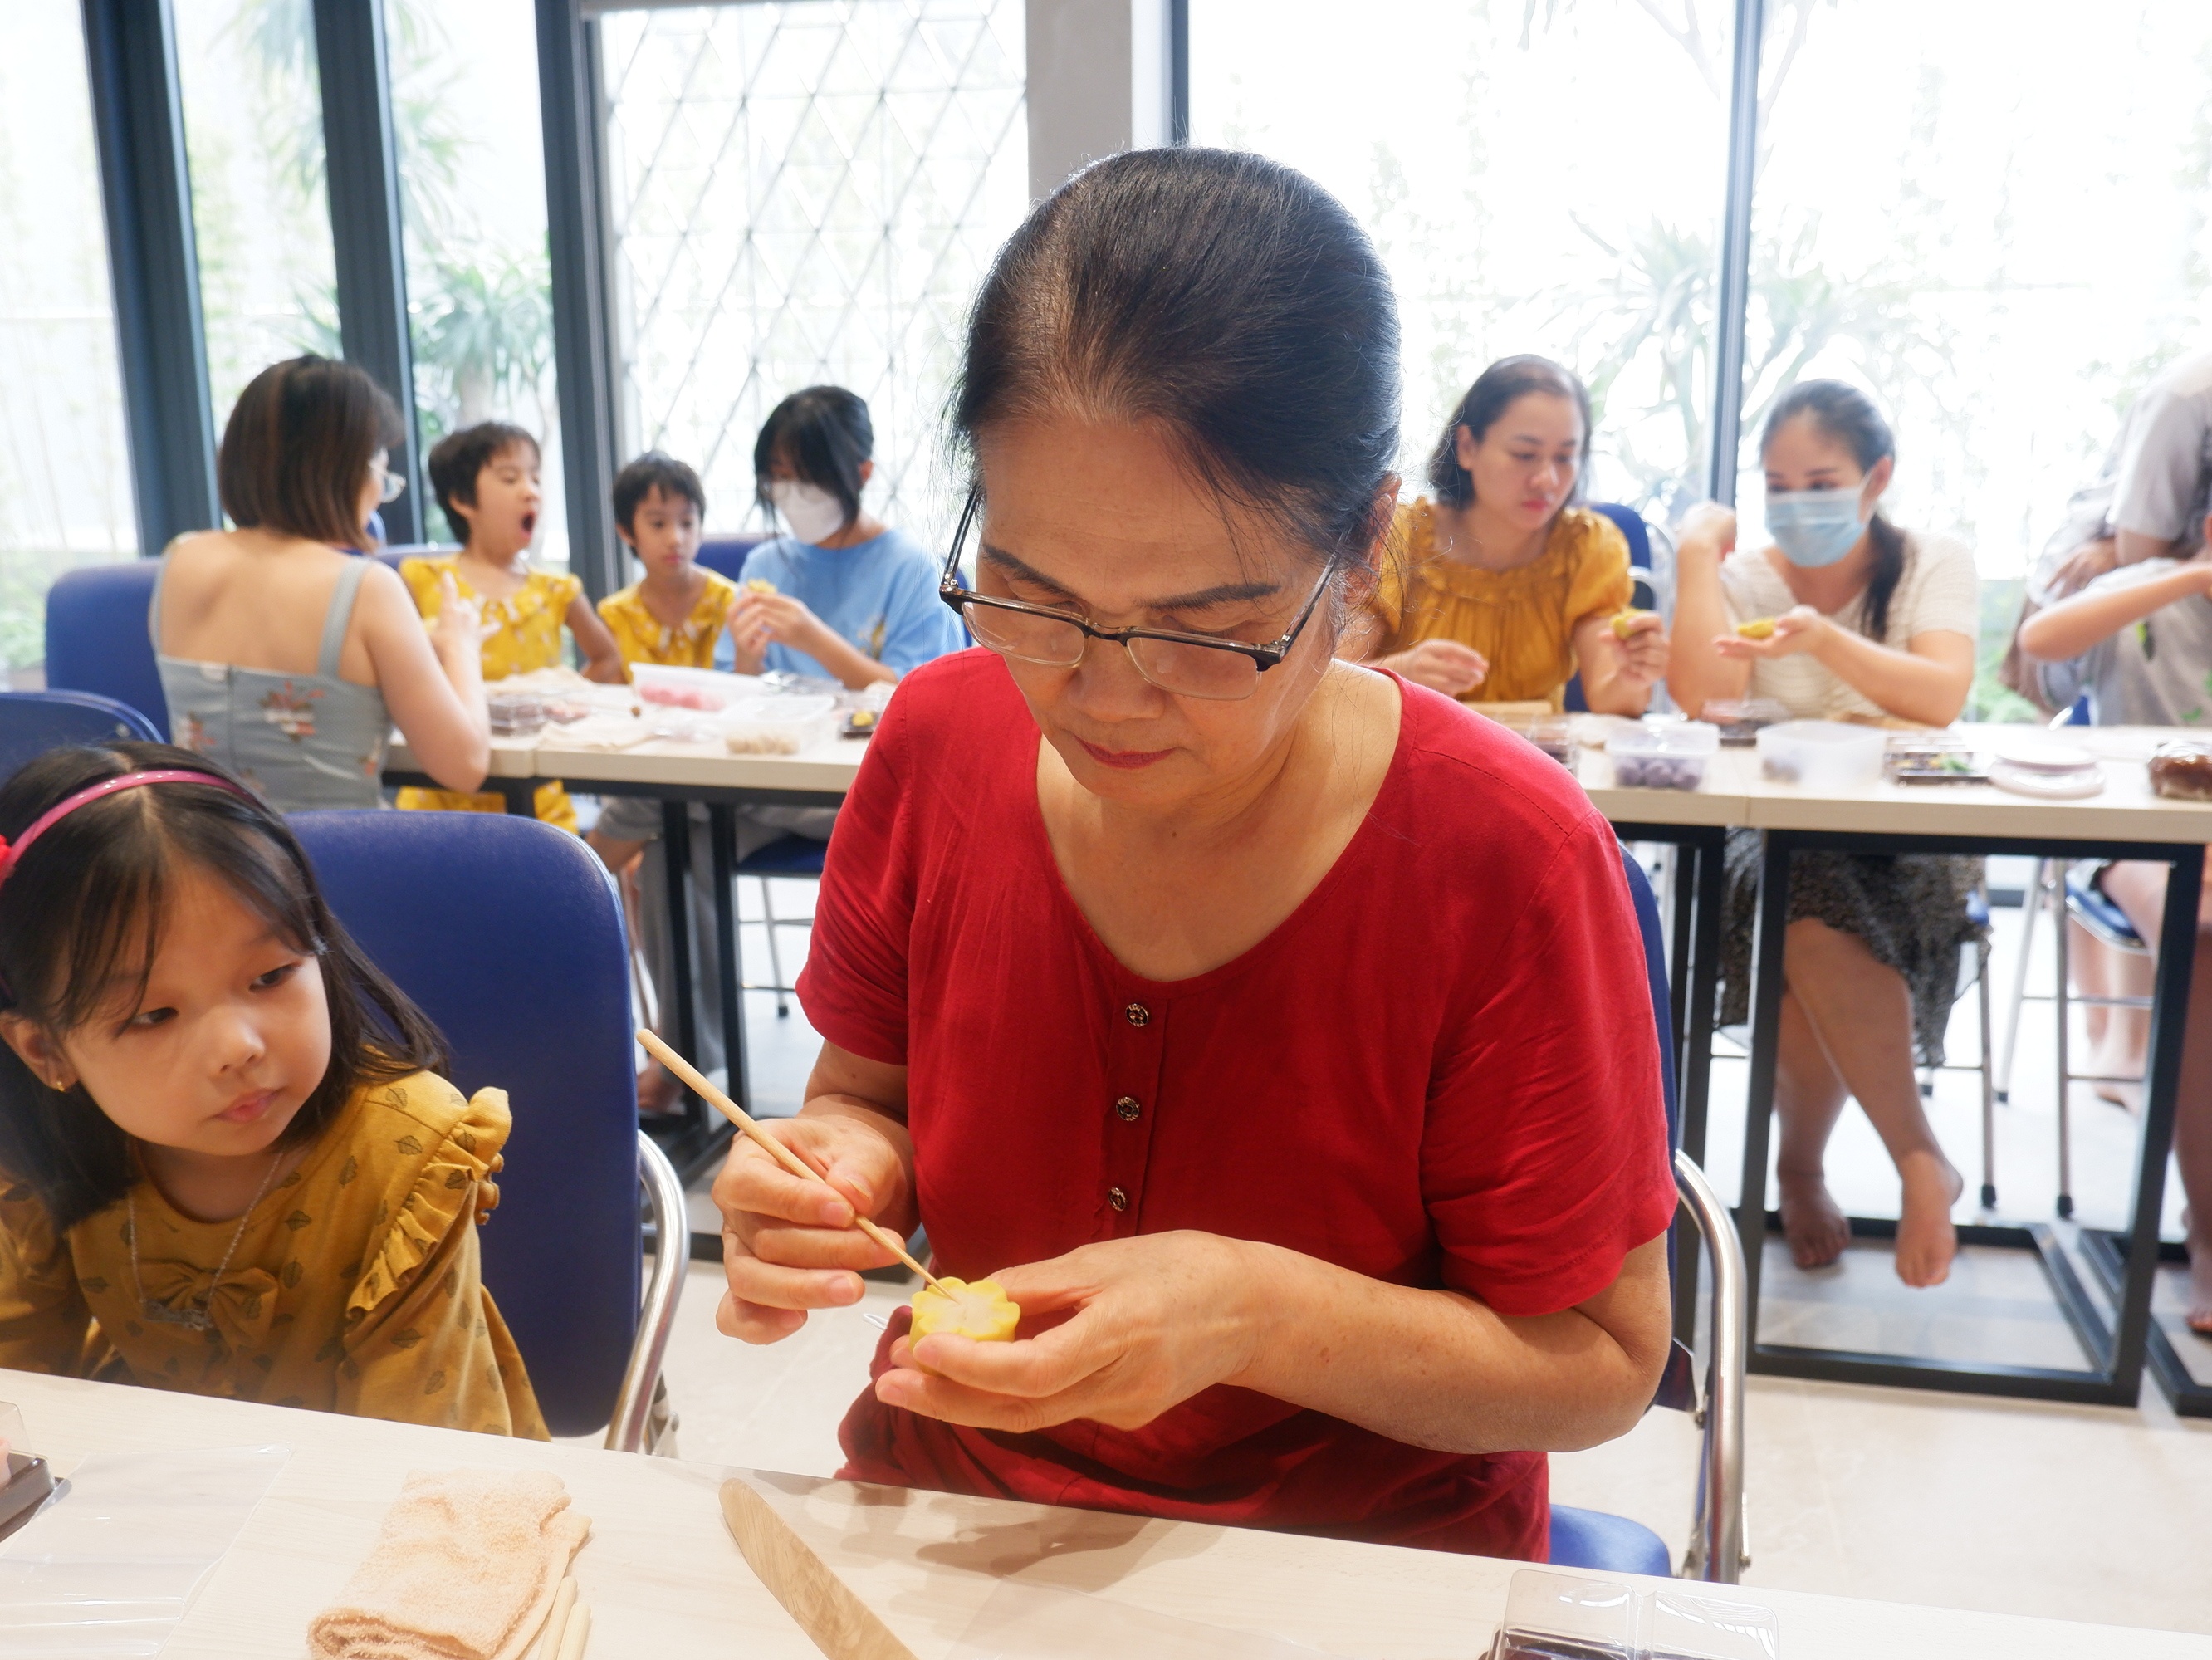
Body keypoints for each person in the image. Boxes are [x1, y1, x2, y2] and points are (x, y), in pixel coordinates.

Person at [711, 149, 1676, 1561]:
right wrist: (833, 1174)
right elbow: (870, 1098)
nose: (1103, 693)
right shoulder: (934, 740)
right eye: (1031, 597)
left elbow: (1598, 1358)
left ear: (1358, 545)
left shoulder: (1505, 857)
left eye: (1205, 627)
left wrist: (1255, 1312)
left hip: (1346, 1567)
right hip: (954, 1513)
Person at [0, 744, 546, 1435]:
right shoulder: (44, 1145)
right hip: (170, 1494)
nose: (239, 1048)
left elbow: (422, 1454)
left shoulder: (408, 1156)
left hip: (372, 1500)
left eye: (271, 975)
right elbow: (17, 1394)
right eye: (154, 1015)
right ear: (45, 1049)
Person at [1669, 379, 1980, 1288]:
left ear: (1877, 477)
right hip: (1771, 835)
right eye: (1778, 484)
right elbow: (1700, 699)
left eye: (1821, 480)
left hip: (1905, 837)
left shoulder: (1934, 561)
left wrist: (1820, 641)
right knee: (1798, 904)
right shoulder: (1742, 578)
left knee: (1811, 925)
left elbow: (1942, 695)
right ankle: (1913, 1159)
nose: (1797, 503)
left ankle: (1804, 1171)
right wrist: (1695, 557)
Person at [2015, 507, 2212, 1331]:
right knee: (2202, 936)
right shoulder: (2145, 582)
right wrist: (2192, 575)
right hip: (2142, 839)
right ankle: (2210, 1233)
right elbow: (2044, 642)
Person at [152, 356, 492, 813]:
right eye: (381, 475)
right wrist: (460, 646)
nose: (378, 495)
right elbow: (465, 765)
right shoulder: (365, 587)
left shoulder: (181, 557)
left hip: (207, 860)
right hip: (328, 870)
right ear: (347, 473)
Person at [1350, 355, 1666, 713]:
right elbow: (1327, 681)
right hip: (1407, 754)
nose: (1547, 480)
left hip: (1535, 758)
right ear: (1468, 447)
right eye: (1525, 454)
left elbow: (1612, 703)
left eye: (1565, 457)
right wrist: (1397, 673)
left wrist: (1633, 674)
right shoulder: (1398, 537)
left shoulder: (1587, 546)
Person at [585, 453, 746, 1114]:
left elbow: (744, 695)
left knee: (641, 862)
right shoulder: (613, 612)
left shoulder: (727, 601)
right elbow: (609, 700)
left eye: (688, 520)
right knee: (655, 859)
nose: (675, 535)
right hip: (646, 770)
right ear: (629, 532)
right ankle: (675, 1056)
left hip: (708, 782)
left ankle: (583, 874)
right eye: (658, 522)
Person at [397, 422, 625, 832]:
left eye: (536, 477)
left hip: (537, 796)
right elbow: (399, 669)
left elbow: (607, 657)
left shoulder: (556, 589)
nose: (531, 489)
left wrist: (562, 707)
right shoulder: (424, 580)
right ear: (463, 500)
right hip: (439, 792)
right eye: (510, 477)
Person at [727, 386, 967, 689]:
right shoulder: (764, 566)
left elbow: (923, 694)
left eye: (810, 478)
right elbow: (736, 691)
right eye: (781, 478)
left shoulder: (912, 568)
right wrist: (747, 658)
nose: (792, 494)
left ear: (863, 474)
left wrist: (813, 639)